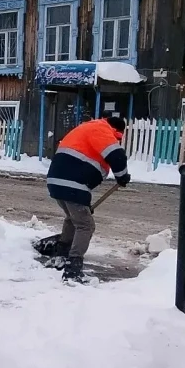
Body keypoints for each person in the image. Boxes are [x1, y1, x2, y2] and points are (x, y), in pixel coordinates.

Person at [45, 116, 131, 283]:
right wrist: (122, 176)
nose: (117, 140)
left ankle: (62, 252)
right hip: (73, 184)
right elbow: (117, 155)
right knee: (86, 225)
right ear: (117, 130)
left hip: (56, 182)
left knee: (74, 218)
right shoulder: (102, 130)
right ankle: (73, 266)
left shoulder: (88, 128)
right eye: (118, 137)